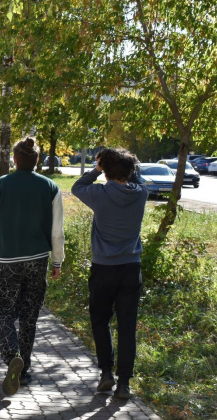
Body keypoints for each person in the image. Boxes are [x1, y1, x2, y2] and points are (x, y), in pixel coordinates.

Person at [0, 136, 65, 396]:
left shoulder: (0, 186)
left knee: (1, 312)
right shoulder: (50, 187)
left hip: (6, 262)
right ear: (37, 160)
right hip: (38, 261)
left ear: (14, 159)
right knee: (29, 317)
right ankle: (23, 370)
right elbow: (57, 231)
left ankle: (12, 355)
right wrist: (57, 261)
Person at [70, 147, 148, 400]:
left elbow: (77, 187)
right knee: (127, 326)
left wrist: (96, 169)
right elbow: (138, 178)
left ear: (105, 170)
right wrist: (128, 166)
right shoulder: (141, 194)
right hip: (131, 268)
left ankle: (106, 372)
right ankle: (124, 383)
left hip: (103, 268)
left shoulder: (99, 194)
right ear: (129, 171)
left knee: (100, 320)